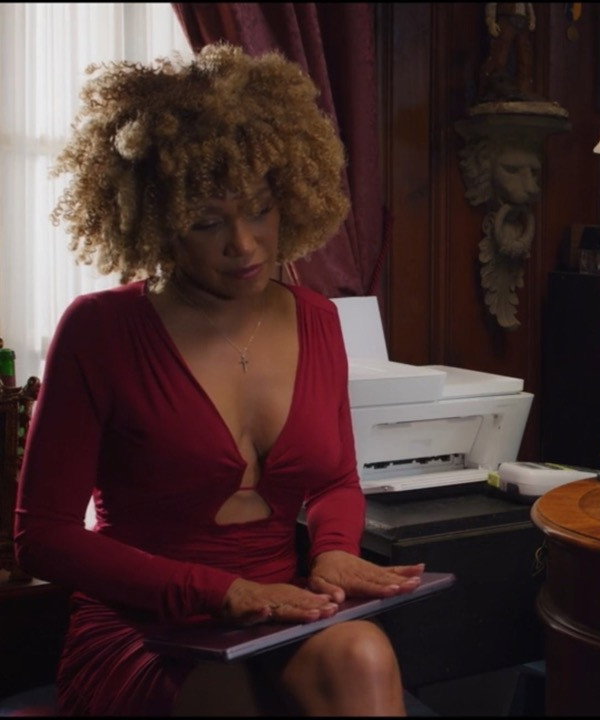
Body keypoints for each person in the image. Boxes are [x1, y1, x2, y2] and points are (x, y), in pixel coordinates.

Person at [13, 44, 425, 716]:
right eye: (207, 222)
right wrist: (217, 592)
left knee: (363, 655)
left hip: (281, 608)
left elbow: (333, 482)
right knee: (227, 698)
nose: (244, 244)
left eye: (259, 209)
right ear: (158, 221)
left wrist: (332, 551)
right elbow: (44, 536)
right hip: (143, 625)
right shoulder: (99, 330)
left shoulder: (318, 320)